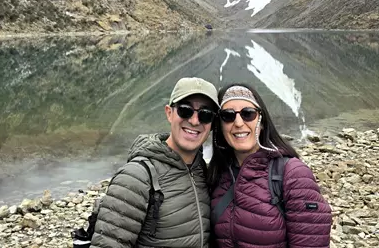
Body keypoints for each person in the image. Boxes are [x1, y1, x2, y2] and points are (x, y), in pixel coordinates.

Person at [89, 77, 219, 248]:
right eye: (185, 110)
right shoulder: (136, 177)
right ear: (169, 113)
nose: (195, 121)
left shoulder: (203, 172)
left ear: (212, 123)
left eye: (205, 114)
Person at [208, 83, 332, 248]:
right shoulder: (217, 174)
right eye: (228, 116)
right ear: (220, 126)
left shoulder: (293, 174)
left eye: (248, 114)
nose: (238, 123)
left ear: (262, 122)